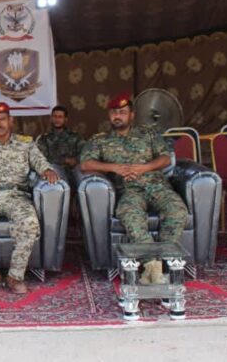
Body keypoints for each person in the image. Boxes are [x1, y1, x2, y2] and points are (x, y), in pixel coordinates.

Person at [80, 92, 188, 284]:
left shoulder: (149, 134)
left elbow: (165, 159)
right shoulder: (100, 140)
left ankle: (162, 264)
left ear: (132, 115)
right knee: (130, 215)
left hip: (156, 186)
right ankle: (152, 266)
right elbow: (86, 164)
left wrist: (143, 168)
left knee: (178, 211)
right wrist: (114, 168)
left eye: (122, 112)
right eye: (114, 112)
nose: (117, 116)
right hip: (129, 190)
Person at [0, 102, 59, 294]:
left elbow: (39, 161)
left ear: (11, 120)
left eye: (2, 119)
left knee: (29, 223)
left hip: (17, 196)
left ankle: (15, 277)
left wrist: (47, 170)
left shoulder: (25, 143)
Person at [36, 105, 84, 176]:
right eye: (54, 116)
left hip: (74, 169)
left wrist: (75, 160)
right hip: (55, 170)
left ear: (65, 119)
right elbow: (41, 158)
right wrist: (64, 160)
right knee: (54, 169)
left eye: (60, 117)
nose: (57, 119)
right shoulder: (44, 138)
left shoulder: (75, 137)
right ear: (51, 118)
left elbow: (84, 153)